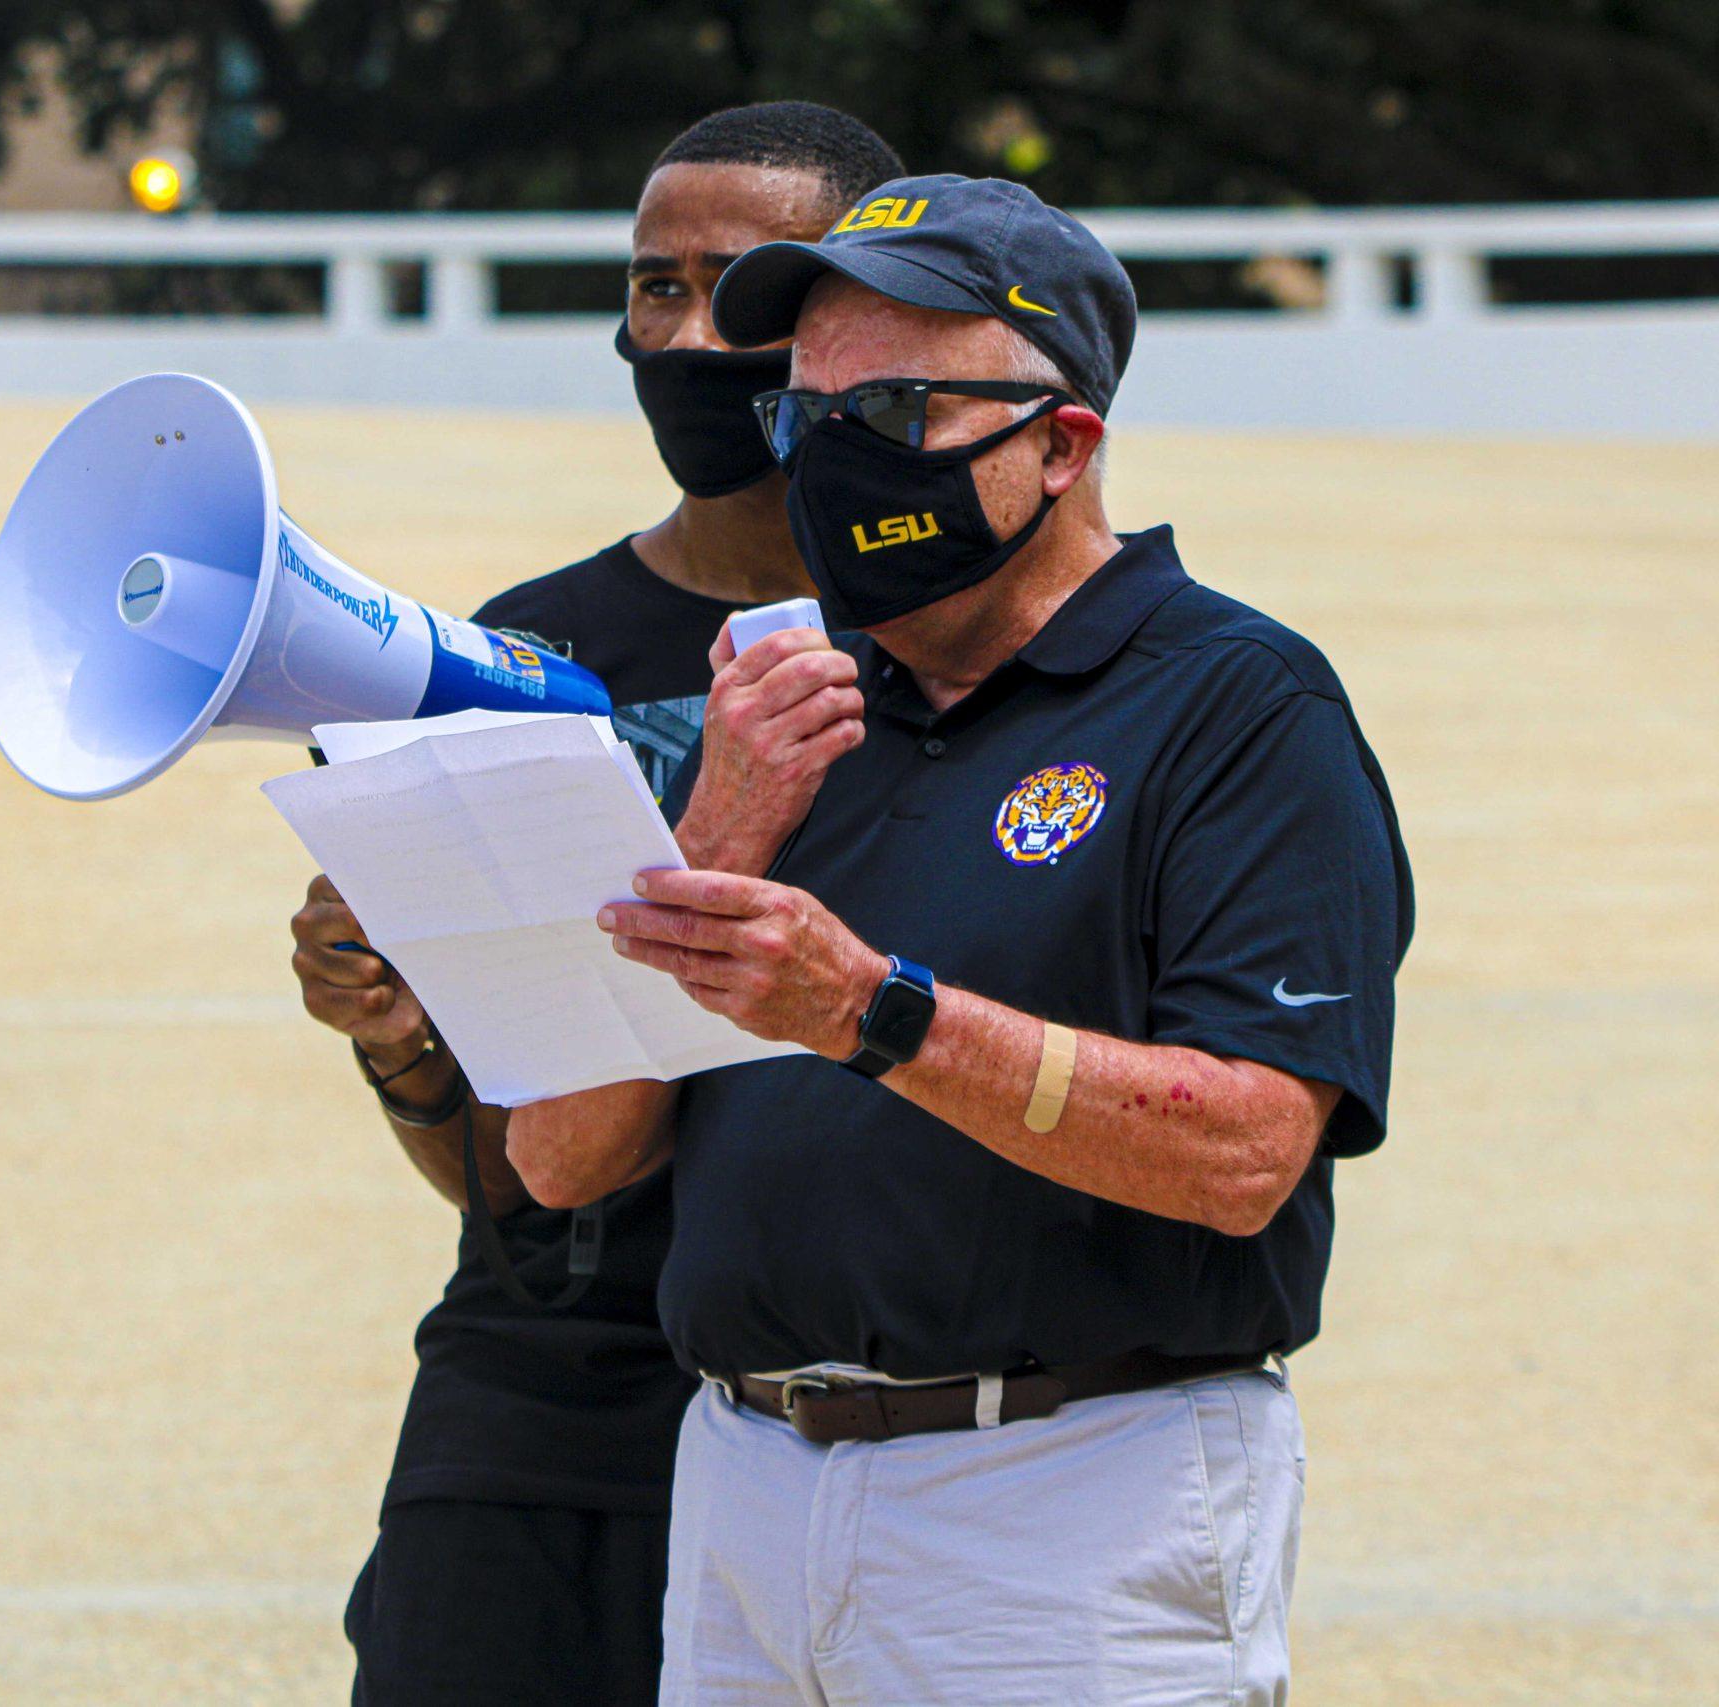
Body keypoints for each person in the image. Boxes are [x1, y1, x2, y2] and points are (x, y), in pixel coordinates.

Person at [506, 175, 1413, 1705]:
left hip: (1071, 1498)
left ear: (1062, 445)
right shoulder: (773, 712)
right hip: (743, 1479)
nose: (837, 462)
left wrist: (874, 1012)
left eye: (903, 410)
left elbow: (1248, 1149)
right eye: (808, 417)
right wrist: (717, 829)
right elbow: (560, 1158)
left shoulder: (1241, 708)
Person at [287, 103, 905, 1707]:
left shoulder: (966, 652)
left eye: (740, 287)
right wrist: (397, 1035)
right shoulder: (523, 655)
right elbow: (507, 1184)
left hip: (832, 1424)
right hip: (535, 1429)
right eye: (651, 288)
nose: (690, 336)